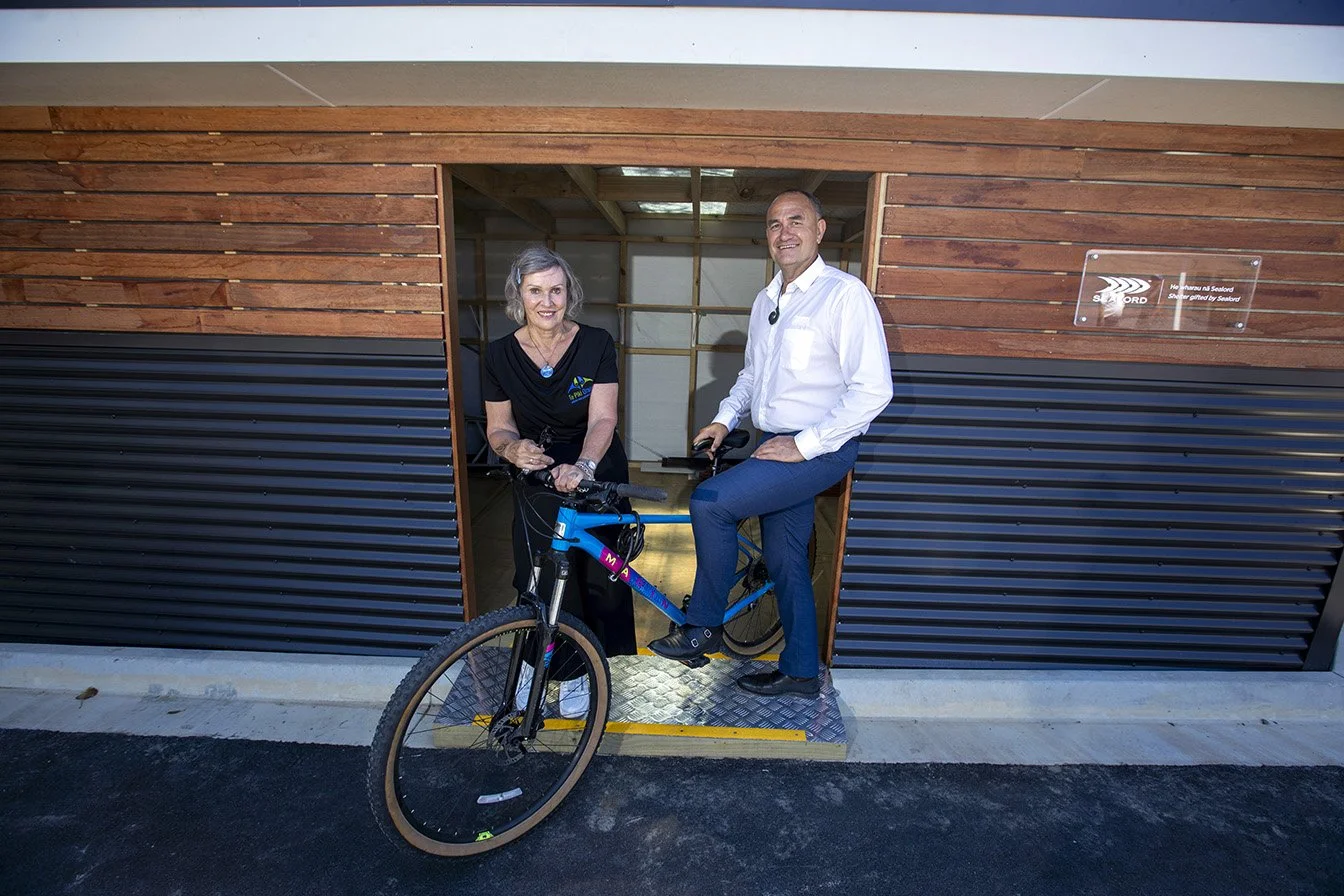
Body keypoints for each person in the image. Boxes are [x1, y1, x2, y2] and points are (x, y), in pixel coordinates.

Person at [648, 190, 893, 697]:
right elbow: (753, 374)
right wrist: (724, 417)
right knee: (784, 559)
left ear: (820, 230)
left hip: (819, 447)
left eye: (796, 221)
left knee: (710, 503)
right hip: (775, 442)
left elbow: (874, 389)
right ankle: (802, 671)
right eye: (774, 224)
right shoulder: (767, 300)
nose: (785, 232)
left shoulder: (844, 295)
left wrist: (805, 446)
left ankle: (704, 626)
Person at [483, 245, 635, 717]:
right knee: (540, 571)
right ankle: (536, 658)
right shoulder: (499, 355)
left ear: (569, 293)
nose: (547, 301)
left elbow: (603, 420)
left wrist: (584, 467)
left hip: (594, 468)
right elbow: (499, 428)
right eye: (535, 291)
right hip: (537, 470)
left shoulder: (595, 343)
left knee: (596, 577)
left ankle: (581, 672)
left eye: (556, 290)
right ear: (518, 295)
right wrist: (513, 450)